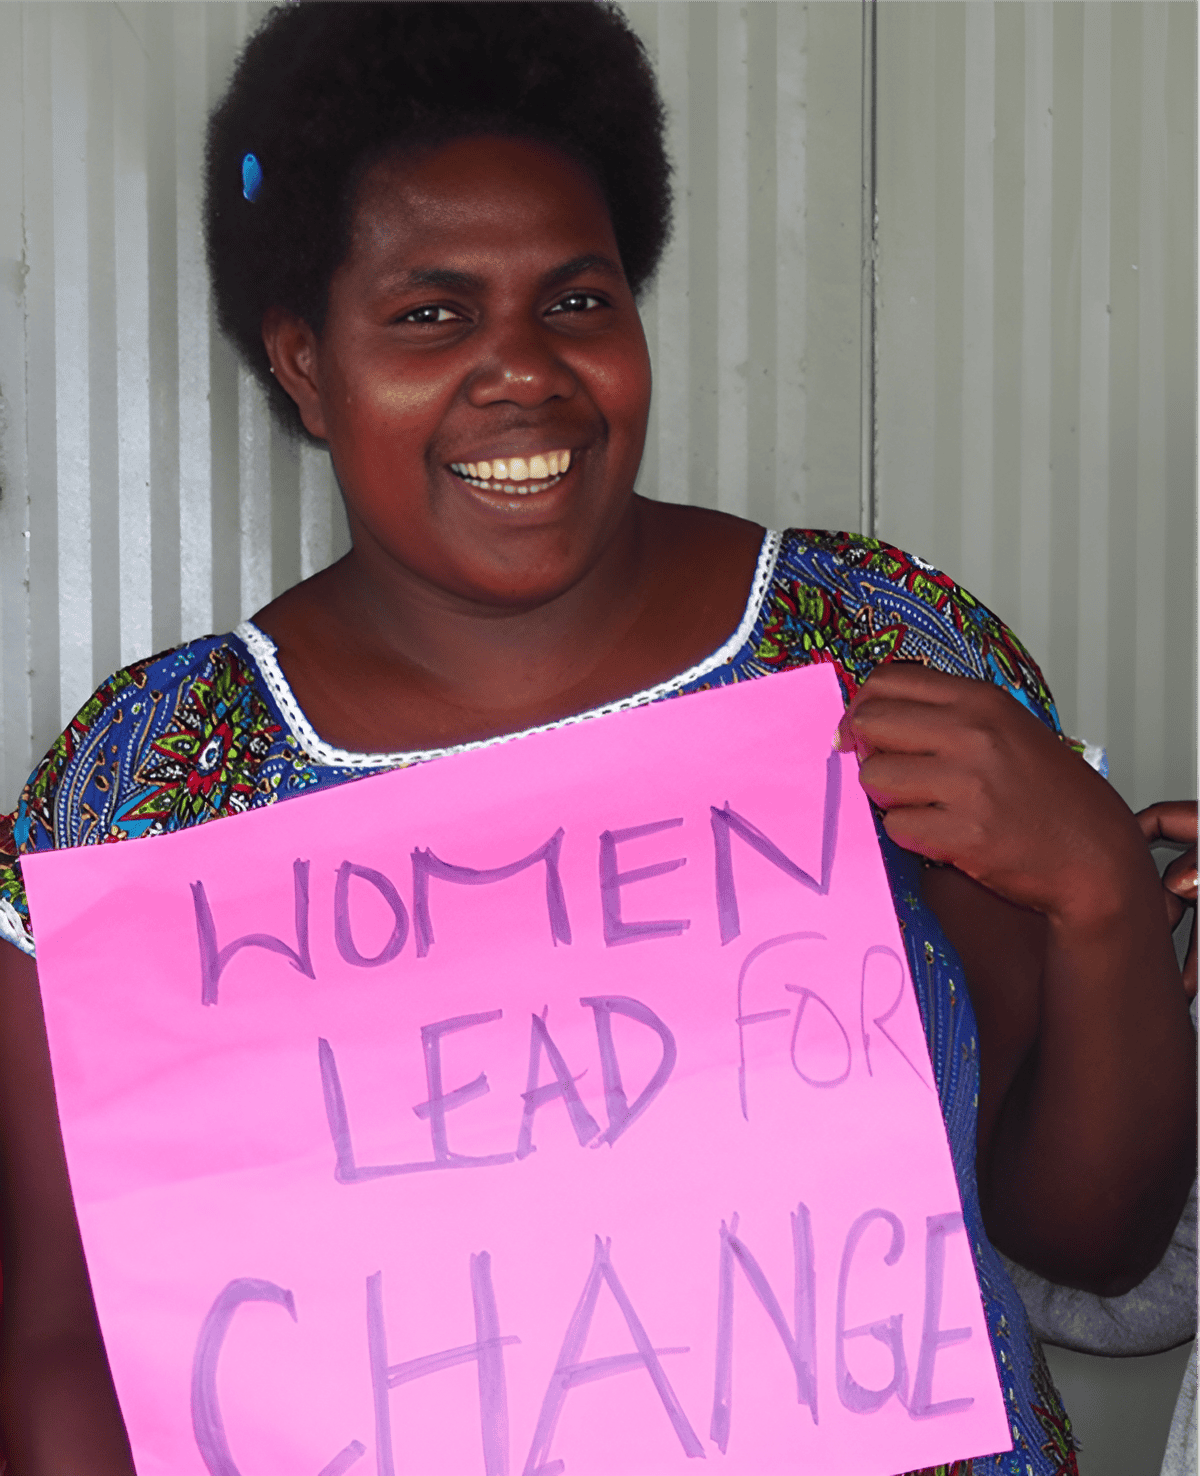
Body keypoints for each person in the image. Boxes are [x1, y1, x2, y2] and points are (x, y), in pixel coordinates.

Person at [0, 3, 1194, 1472]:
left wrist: (1100, 900)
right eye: (431, 313)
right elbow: (63, 1347)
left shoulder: (870, 650)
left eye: (577, 301)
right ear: (305, 362)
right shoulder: (146, 790)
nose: (525, 373)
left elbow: (1090, 1238)